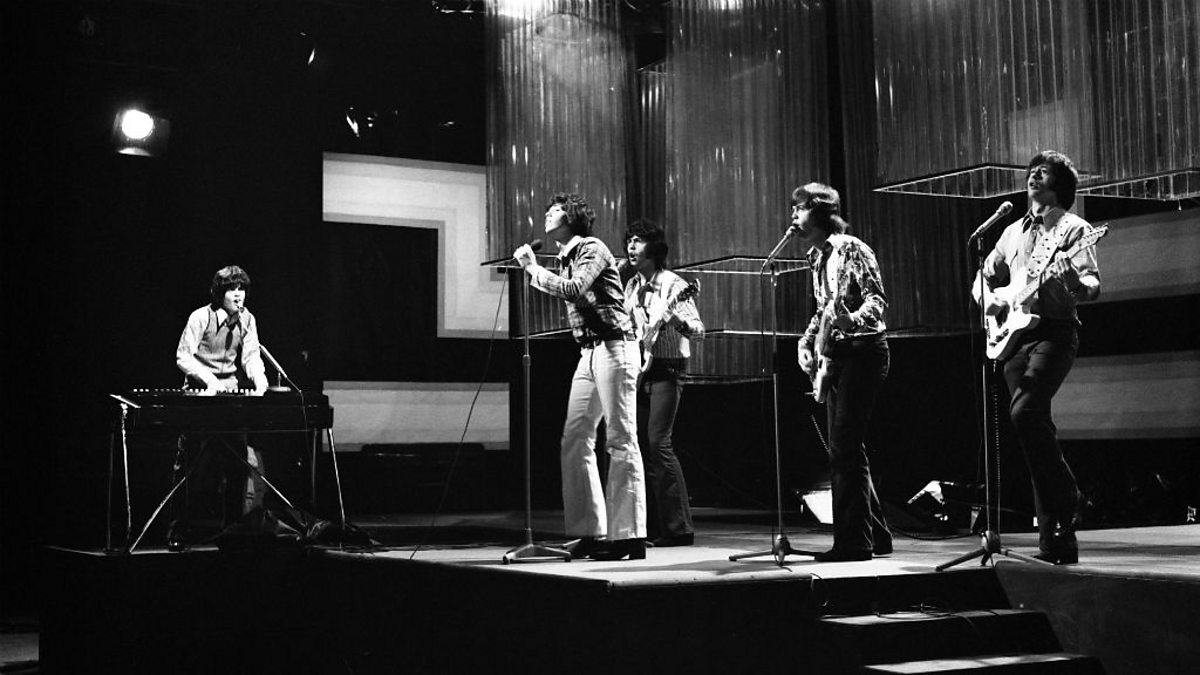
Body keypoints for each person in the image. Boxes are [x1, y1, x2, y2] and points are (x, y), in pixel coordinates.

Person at [972, 150, 1100, 565]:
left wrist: (1073, 279)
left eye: (1044, 172)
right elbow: (984, 277)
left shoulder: (1074, 228)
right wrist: (991, 300)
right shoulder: (1011, 232)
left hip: (1055, 333)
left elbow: (1092, 286)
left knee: (1025, 413)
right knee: (1033, 430)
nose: (1034, 176)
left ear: (1060, 184)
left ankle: (1069, 496)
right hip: (1014, 338)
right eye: (1032, 171)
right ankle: (1057, 541)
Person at [513, 193, 648, 561]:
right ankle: (590, 531)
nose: (547, 213)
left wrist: (532, 269)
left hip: (616, 347)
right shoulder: (566, 257)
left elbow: (573, 289)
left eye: (555, 210)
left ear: (572, 218)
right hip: (589, 352)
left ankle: (630, 537)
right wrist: (539, 271)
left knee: (621, 438)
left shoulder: (592, 248)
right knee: (575, 437)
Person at [793, 183, 893, 562]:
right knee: (848, 449)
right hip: (837, 355)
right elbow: (823, 310)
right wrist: (805, 342)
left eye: (800, 208)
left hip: (864, 352)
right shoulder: (816, 257)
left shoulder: (852, 248)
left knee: (844, 448)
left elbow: (877, 299)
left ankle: (853, 543)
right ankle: (875, 536)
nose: (794, 215)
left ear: (820, 212)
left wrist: (852, 320)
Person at [167, 265, 270, 550]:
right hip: (200, 396)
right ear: (219, 293)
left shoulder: (247, 319)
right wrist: (209, 379)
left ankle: (232, 530)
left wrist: (259, 380)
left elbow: (251, 355)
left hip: (230, 398)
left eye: (242, 289)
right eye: (232, 290)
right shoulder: (201, 317)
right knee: (192, 466)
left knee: (237, 463)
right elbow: (183, 356)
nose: (238, 295)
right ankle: (179, 529)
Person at [622, 220, 704, 548]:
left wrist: (674, 319)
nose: (631, 247)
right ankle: (651, 527)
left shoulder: (673, 284)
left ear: (654, 248)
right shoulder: (631, 286)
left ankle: (679, 528)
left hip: (668, 368)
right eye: (629, 241)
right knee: (639, 445)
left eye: (638, 241)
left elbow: (697, 330)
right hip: (640, 369)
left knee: (659, 442)